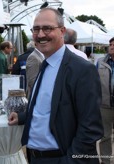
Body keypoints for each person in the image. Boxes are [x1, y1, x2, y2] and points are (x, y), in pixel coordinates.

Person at [8, 7, 103, 164]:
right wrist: (22, 117)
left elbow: (90, 128)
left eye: (47, 28)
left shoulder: (82, 69)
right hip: (36, 157)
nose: (40, 35)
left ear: (62, 31)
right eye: (36, 29)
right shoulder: (45, 64)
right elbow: (48, 108)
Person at [97, 37, 114, 164]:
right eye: (110, 44)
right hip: (105, 104)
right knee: (105, 136)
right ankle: (106, 161)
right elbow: (94, 81)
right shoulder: (100, 62)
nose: (112, 46)